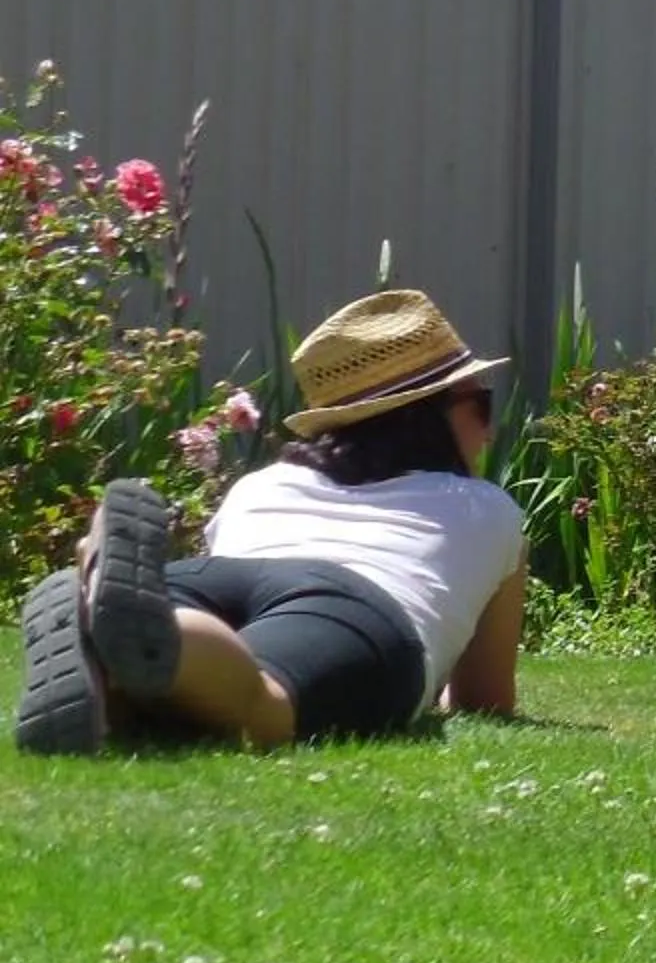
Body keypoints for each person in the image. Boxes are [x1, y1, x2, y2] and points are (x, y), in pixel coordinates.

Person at [16, 289, 529, 755]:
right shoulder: (483, 507)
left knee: (184, 692)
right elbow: (483, 700)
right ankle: (159, 630)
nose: (489, 430)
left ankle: (105, 650)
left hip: (214, 577)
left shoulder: (263, 484)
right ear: (428, 417)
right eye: (480, 406)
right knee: (265, 699)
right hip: (358, 604)